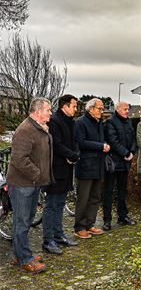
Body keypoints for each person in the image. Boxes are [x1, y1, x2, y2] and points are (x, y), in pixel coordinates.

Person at [6, 97, 53, 273]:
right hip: (22, 184)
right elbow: (19, 160)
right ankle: (25, 259)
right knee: (22, 221)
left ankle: (18, 254)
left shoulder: (38, 128)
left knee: (25, 220)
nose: (50, 113)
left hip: (32, 183)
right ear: (37, 111)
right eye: (48, 110)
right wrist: (38, 174)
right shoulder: (25, 130)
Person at [42, 94, 80, 254]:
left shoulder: (70, 122)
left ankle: (58, 235)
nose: (76, 109)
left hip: (66, 169)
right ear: (65, 106)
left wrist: (75, 154)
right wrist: (71, 155)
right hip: (55, 169)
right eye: (74, 106)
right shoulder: (55, 121)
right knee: (51, 205)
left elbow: (75, 141)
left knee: (60, 204)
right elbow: (56, 144)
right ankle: (48, 240)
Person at [74, 98, 110, 238]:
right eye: (99, 108)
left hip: (98, 165)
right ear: (91, 109)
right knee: (83, 198)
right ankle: (79, 227)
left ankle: (90, 224)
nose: (102, 111)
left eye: (102, 109)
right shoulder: (80, 123)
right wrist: (100, 146)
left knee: (95, 197)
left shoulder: (99, 123)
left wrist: (104, 144)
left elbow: (100, 140)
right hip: (85, 166)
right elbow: (81, 142)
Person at [102, 101, 137, 231]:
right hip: (113, 162)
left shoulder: (128, 121)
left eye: (128, 109)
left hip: (125, 163)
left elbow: (133, 138)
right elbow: (112, 141)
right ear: (117, 109)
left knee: (123, 190)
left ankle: (123, 216)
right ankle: (107, 220)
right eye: (125, 109)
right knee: (109, 191)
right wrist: (125, 153)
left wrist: (132, 152)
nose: (127, 111)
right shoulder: (110, 122)